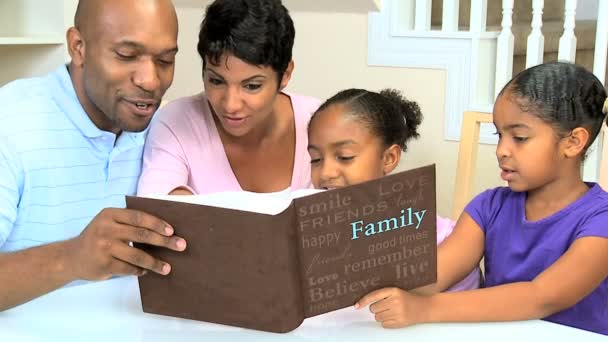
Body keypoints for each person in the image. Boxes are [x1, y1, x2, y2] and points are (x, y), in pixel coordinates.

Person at [355, 62, 608, 335]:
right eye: (500, 135)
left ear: (573, 142)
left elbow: (542, 296)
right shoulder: (488, 207)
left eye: (519, 137)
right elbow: (434, 274)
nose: (501, 150)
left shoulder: (600, 220)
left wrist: (423, 309)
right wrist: (356, 269)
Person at [0, 0, 186, 311]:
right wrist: (70, 258)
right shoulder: (10, 123)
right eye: (127, 56)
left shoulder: (166, 130)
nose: (150, 81)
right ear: (78, 47)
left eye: (165, 60)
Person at [137, 0, 320, 196]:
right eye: (216, 81)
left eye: (252, 86)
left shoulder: (317, 122)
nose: (230, 105)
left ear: (285, 74)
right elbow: (156, 211)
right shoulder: (176, 122)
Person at [307, 88, 481, 292]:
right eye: (315, 159)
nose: (326, 172)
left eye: (345, 157)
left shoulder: (439, 240)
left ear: (389, 158)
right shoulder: (313, 222)